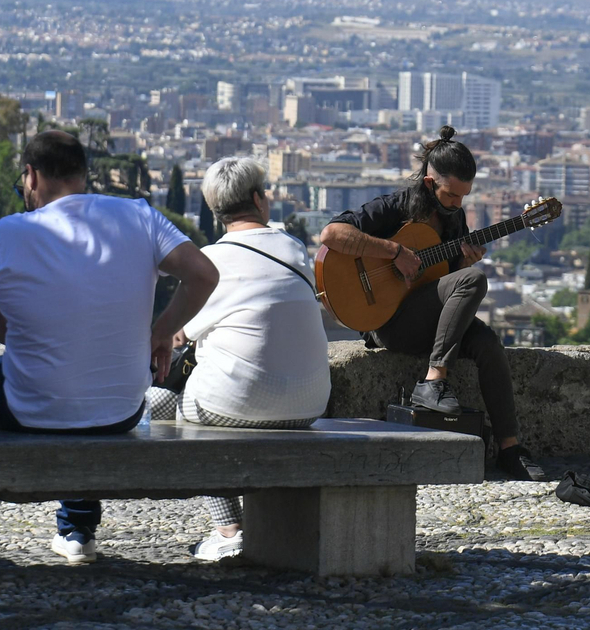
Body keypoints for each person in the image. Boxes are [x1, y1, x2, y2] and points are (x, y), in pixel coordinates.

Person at [0, 130, 217, 564]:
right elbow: (204, 274)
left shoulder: (6, 232)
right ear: (83, 174)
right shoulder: (138, 215)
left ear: (30, 176)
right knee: (83, 393)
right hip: (123, 409)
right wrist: (163, 331)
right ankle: (77, 529)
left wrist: (45, 344)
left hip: (28, 407)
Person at [317, 127, 546, 481]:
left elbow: (445, 281)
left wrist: (462, 263)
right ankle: (433, 382)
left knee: (488, 343)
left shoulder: (455, 219)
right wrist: (394, 251)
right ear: (429, 183)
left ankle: (510, 448)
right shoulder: (396, 207)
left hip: (428, 321)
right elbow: (331, 235)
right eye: (451, 194)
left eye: (463, 196)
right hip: (388, 322)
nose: (457, 203)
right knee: (475, 280)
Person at [147, 157, 330, 561]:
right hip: (311, 403)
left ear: (216, 212)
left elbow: (180, 335)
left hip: (237, 403)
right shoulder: (292, 248)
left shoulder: (210, 260)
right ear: (259, 200)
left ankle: (229, 529)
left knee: (159, 404)